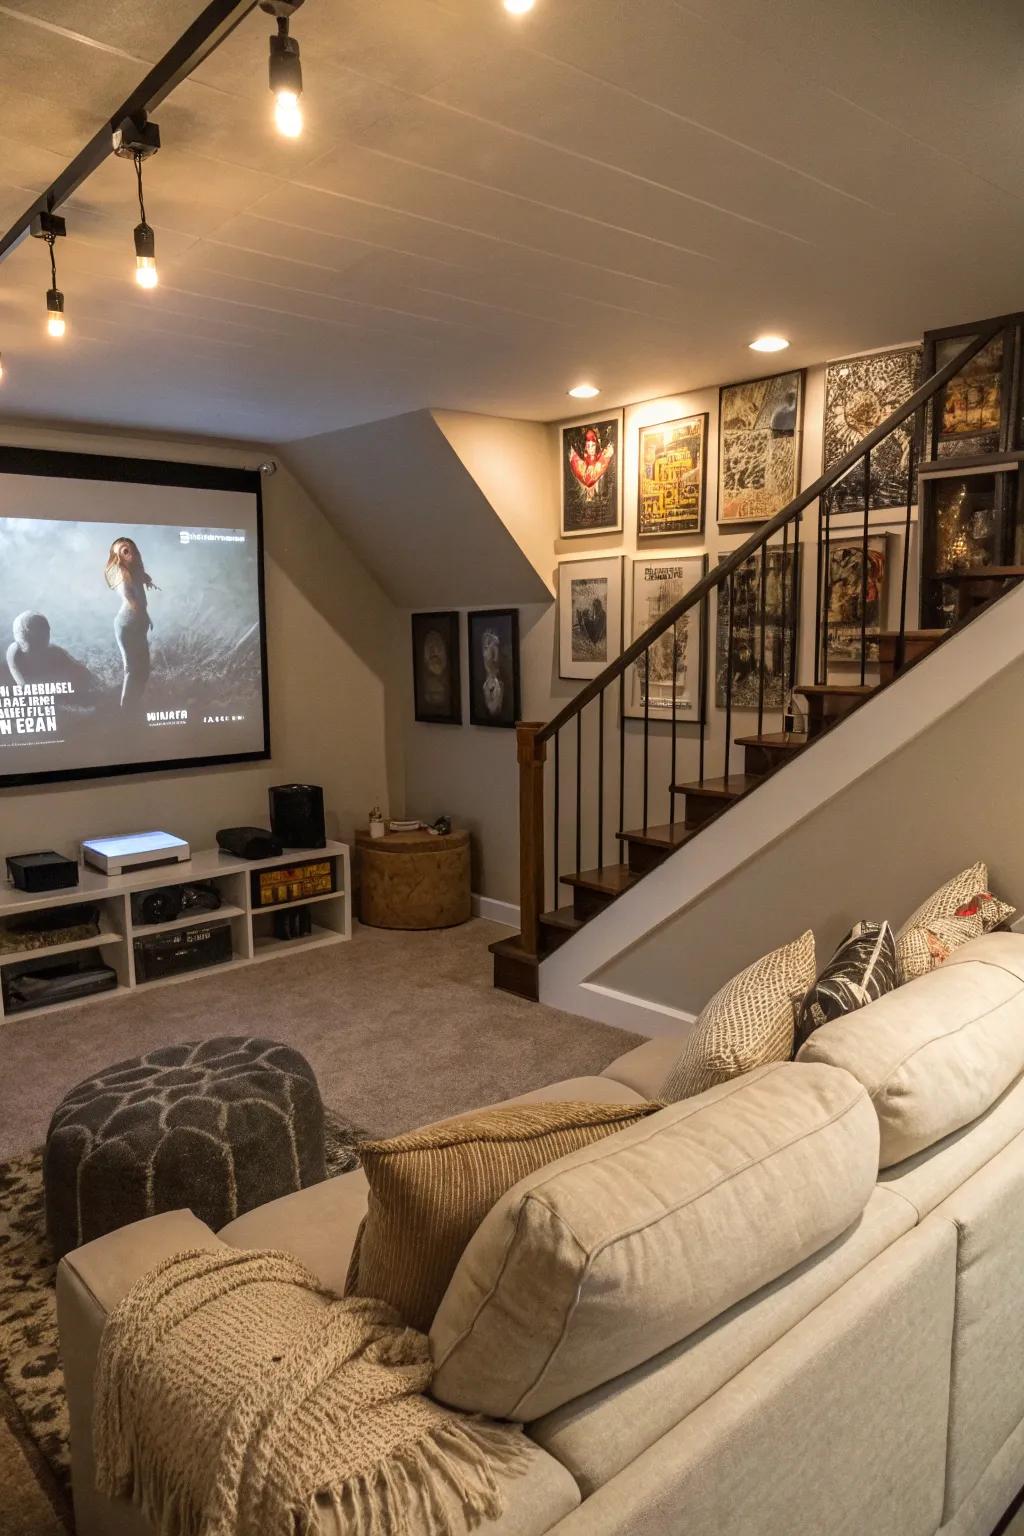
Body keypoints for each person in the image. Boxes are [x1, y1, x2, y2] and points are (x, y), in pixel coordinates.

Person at [104, 537, 157, 712]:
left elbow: (141, 595)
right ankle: (126, 710)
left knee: (143, 670)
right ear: (118, 555)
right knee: (133, 670)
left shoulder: (134, 570)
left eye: (130, 549)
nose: (129, 553)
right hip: (127, 626)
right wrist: (143, 615)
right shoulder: (120, 572)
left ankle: (132, 705)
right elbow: (130, 598)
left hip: (137, 624)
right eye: (123, 550)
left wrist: (145, 616)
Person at [5, 612, 97, 699]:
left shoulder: (55, 652)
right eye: (39, 637)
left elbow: (82, 671)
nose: (43, 639)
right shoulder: (15, 652)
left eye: (44, 635)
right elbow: (24, 686)